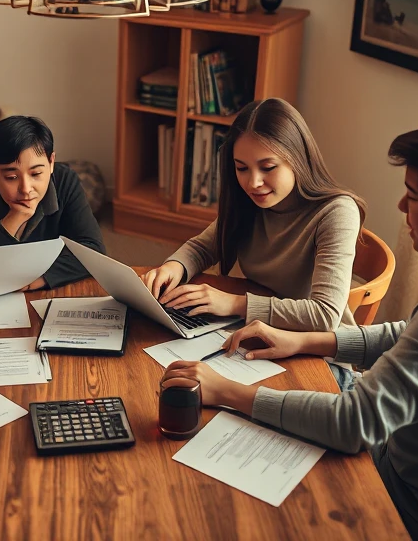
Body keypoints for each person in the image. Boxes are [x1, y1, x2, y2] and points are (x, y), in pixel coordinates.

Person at [161, 116, 418, 541]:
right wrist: (306, 340)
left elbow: (352, 424)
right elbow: (413, 332)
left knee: (222, 504)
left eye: (413, 195)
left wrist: (226, 392)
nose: (401, 207)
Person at [143, 98, 364, 387]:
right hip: (258, 338)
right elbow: (202, 247)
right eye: (242, 168)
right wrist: (174, 266)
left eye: (268, 167)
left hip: (319, 360)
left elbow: (323, 316)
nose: (253, 182)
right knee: (172, 378)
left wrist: (234, 303)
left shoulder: (336, 212)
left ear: (298, 159)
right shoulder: (249, 201)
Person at [0, 115, 105, 289]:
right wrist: (12, 220)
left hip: (43, 289)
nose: (26, 188)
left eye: (36, 174)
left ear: (51, 162)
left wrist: (40, 278)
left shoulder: (65, 180)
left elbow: (94, 252)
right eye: (11, 177)